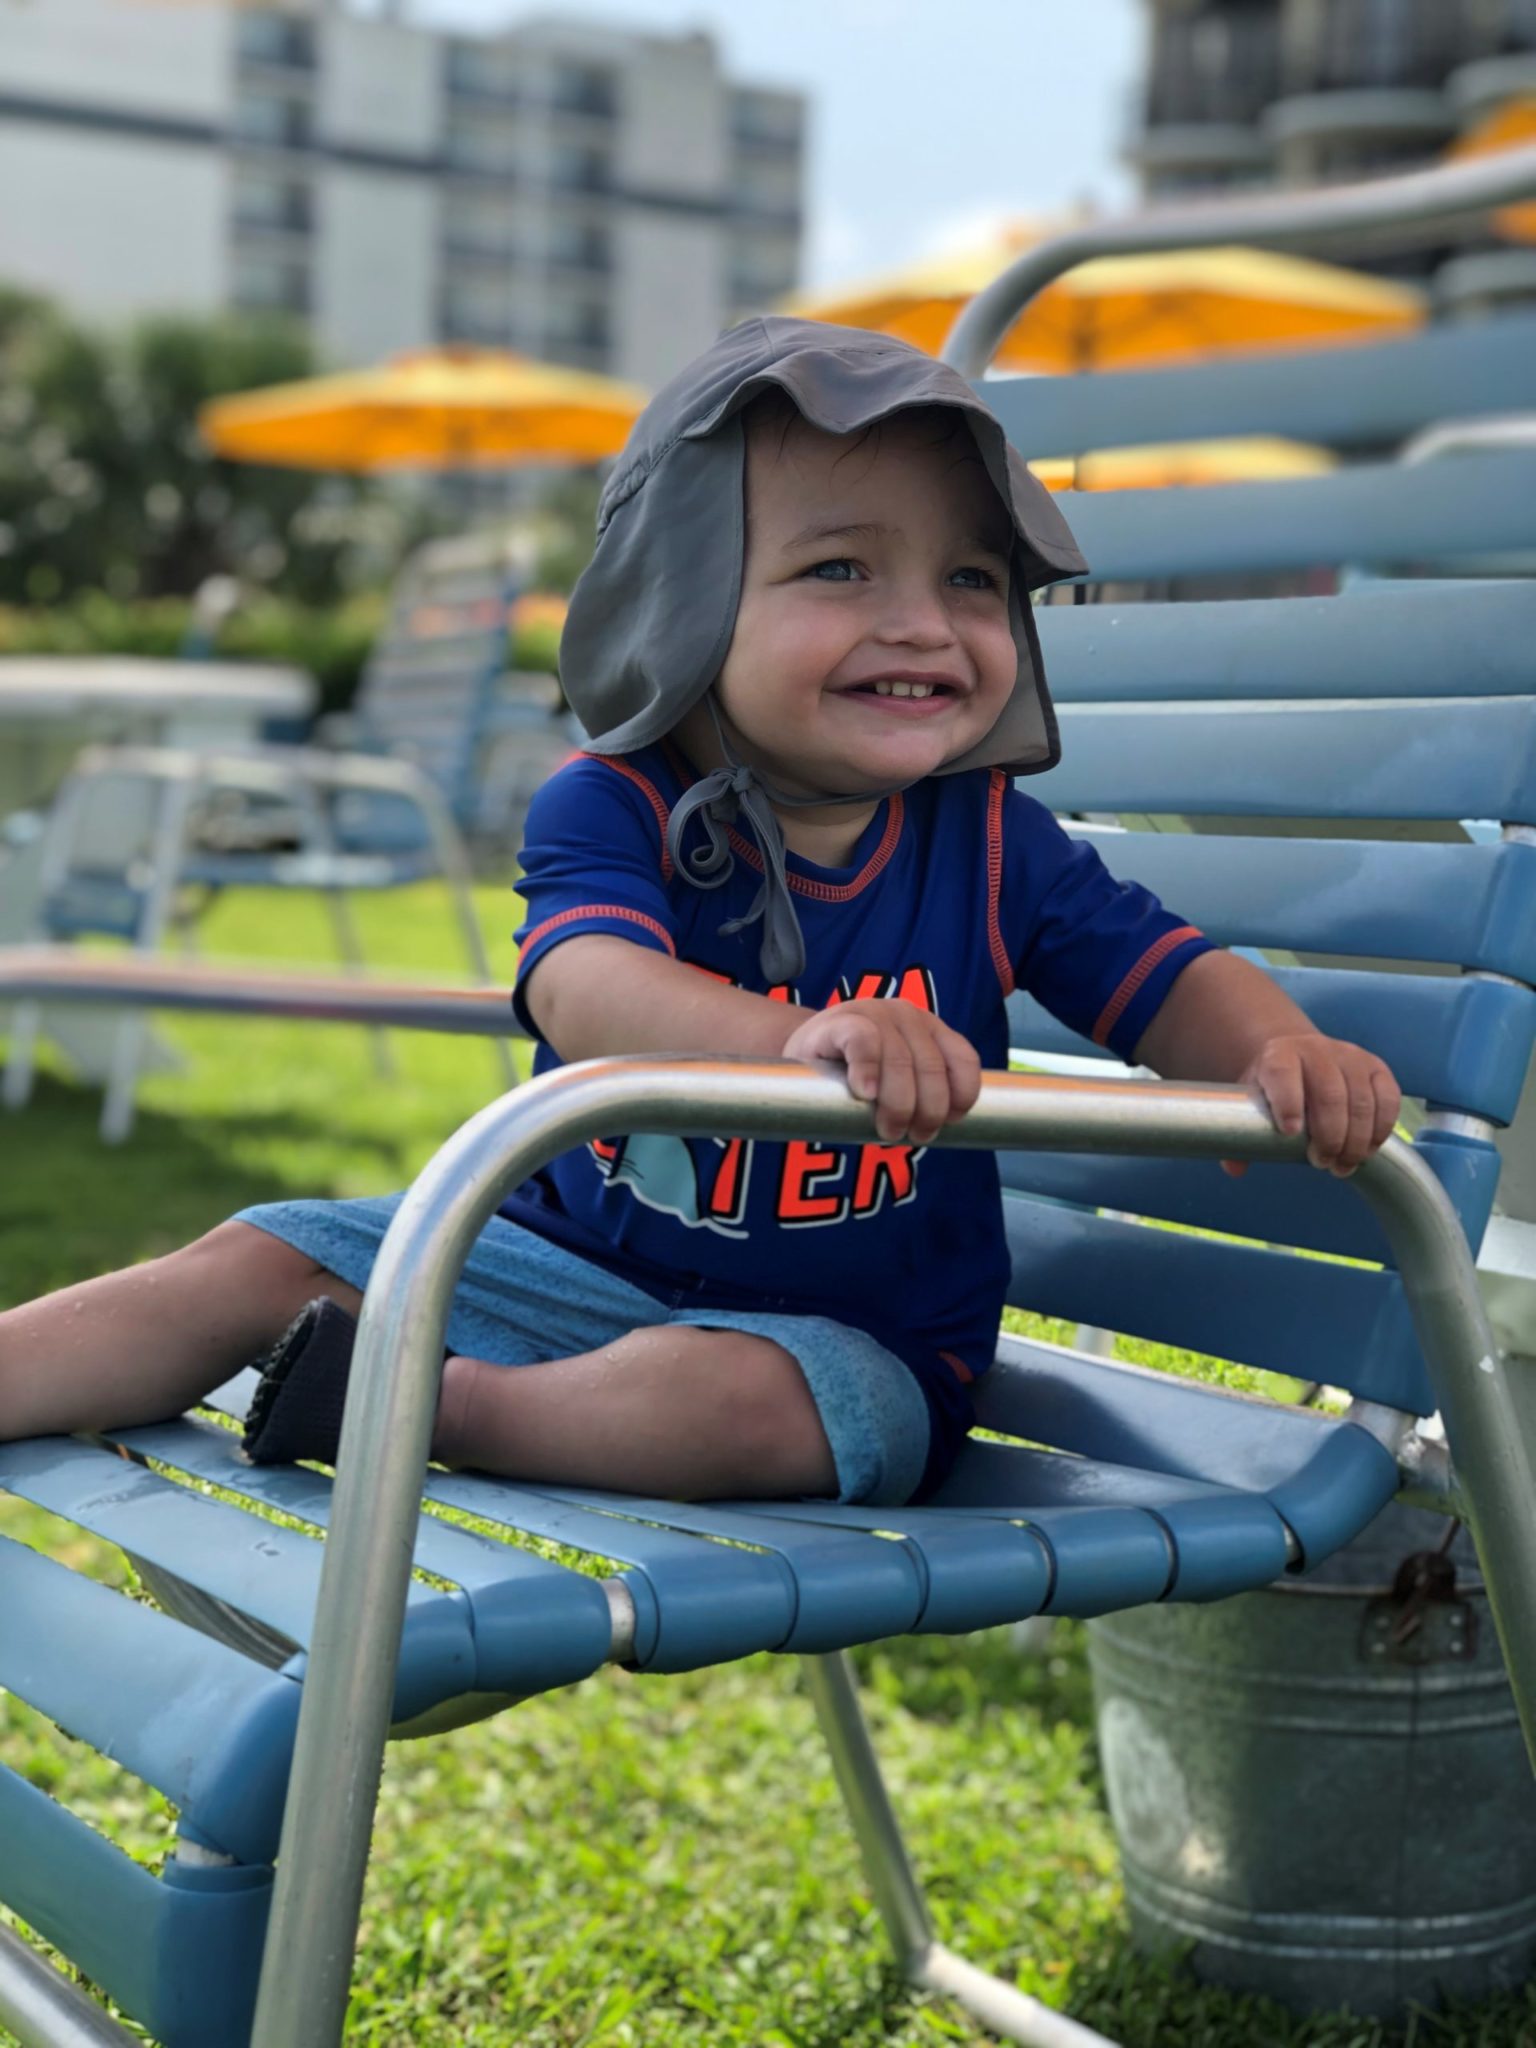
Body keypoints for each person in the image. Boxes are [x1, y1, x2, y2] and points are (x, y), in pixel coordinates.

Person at [0, 319, 1401, 1506]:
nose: (923, 621)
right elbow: (585, 987)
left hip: (847, 1348)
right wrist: (792, 1040)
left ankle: (431, 1410)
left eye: (971, 580)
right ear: (685, 608)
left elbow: (1165, 976)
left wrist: (1273, 1054)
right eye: (841, 568)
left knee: (734, 1401)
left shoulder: (993, 847)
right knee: (260, 1255)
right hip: (555, 1266)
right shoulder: (608, 803)